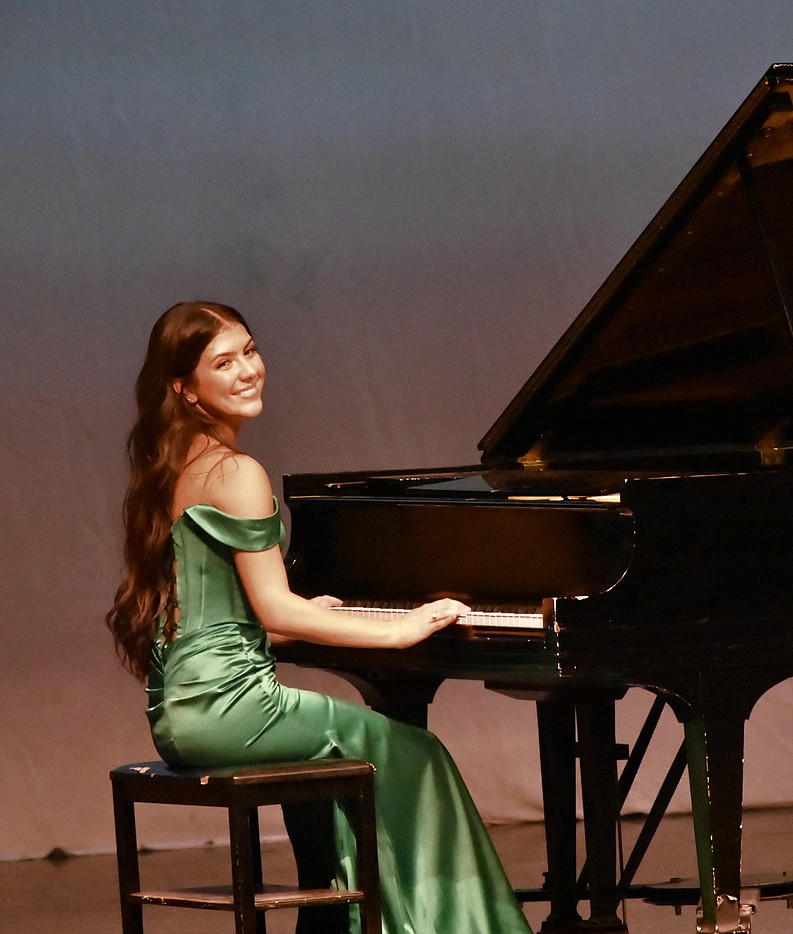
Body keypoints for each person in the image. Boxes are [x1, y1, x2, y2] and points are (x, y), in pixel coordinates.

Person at [106, 301, 534, 934]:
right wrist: (399, 628)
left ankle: (346, 923)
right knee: (420, 756)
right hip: (233, 708)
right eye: (223, 363)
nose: (248, 370)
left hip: (181, 713)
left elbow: (241, 619)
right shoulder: (236, 473)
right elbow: (277, 609)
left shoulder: (174, 466)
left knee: (340, 769)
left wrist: (305, 614)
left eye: (250, 351)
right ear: (184, 387)